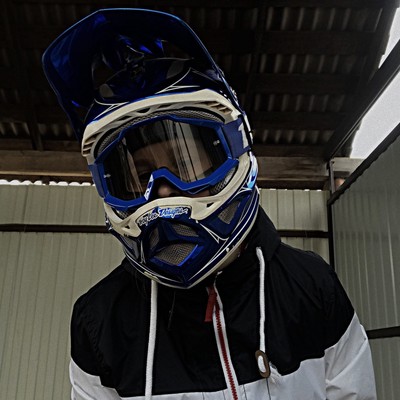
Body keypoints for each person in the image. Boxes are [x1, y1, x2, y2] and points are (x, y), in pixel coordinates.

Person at [43, 8, 377, 400]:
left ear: (232, 149)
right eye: (140, 174)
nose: (163, 191)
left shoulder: (311, 287)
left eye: (184, 163)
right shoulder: (99, 322)